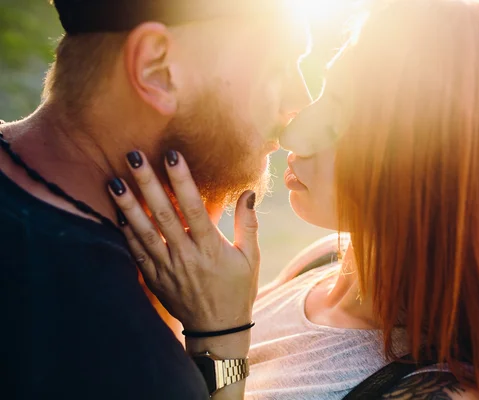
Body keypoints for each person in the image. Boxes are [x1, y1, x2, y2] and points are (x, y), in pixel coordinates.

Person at [115, 0, 479, 399]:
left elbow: (216, 358)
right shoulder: (323, 264)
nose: (293, 131)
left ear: (434, 161)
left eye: (338, 116)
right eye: (323, 94)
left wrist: (219, 335)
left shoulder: (445, 391)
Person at [0, 0, 311, 398]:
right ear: (157, 69)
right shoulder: (132, 367)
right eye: (279, 66)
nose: (299, 103)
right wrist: (223, 342)